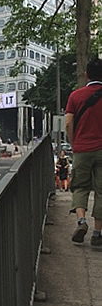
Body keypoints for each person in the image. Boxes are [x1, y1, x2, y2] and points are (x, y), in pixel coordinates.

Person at [65, 57, 102, 245]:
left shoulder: (75, 96)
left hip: (82, 149)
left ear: (86, 74)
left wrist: (74, 143)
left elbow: (69, 123)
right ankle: (97, 233)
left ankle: (81, 221)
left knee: (80, 187)